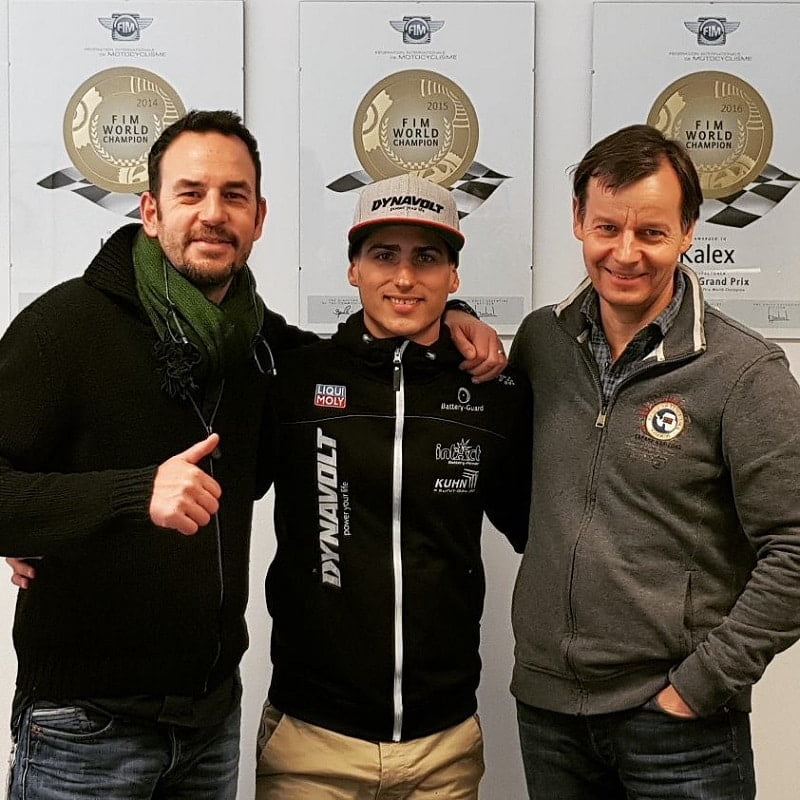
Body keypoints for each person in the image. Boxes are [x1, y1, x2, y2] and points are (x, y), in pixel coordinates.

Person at [0, 110, 504, 799]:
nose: (213, 213)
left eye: (233, 195)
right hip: (86, 729)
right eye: (191, 193)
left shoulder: (256, 342)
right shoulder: (68, 324)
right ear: (150, 210)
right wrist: (123, 497)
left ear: (259, 217)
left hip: (207, 726)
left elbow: (367, 351)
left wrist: (455, 322)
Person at [509, 123, 800, 799]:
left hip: (680, 730)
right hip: (550, 718)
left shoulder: (745, 371)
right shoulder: (541, 342)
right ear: (579, 221)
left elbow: (794, 545)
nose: (625, 253)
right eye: (607, 228)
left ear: (689, 230)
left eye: (651, 232)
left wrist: (701, 686)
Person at [254, 173, 532, 799]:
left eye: (426, 258)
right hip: (312, 741)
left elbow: (542, 529)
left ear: (453, 277)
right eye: (384, 255)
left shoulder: (496, 394)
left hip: (444, 747)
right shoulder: (295, 379)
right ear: (353, 268)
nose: (404, 278)